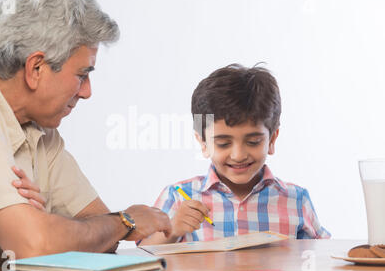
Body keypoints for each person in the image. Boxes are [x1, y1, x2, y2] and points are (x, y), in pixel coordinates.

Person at [0, 0, 171, 271]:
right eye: (82, 74)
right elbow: (37, 245)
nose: (87, 92)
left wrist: (45, 222)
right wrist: (124, 220)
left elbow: (105, 241)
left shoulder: (39, 131)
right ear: (36, 68)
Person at [139, 63, 330, 246]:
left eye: (253, 142)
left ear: (272, 140)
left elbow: (322, 256)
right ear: (203, 143)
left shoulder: (295, 199)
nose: (238, 155)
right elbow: (141, 258)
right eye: (223, 143)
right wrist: (172, 230)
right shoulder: (179, 197)